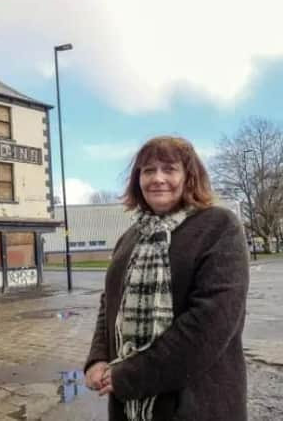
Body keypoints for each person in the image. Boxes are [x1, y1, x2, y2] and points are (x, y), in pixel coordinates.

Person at [84, 136, 249, 421]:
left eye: (169, 169)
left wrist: (131, 375)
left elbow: (210, 323)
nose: (157, 178)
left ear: (189, 177)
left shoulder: (219, 227)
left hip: (197, 403)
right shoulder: (129, 238)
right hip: (129, 407)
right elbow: (108, 305)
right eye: (148, 171)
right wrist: (97, 358)